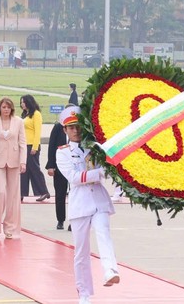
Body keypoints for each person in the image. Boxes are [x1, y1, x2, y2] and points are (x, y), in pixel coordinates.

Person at [55, 107, 119, 304]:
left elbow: (107, 169)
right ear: (65, 130)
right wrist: (97, 173)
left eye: (78, 126)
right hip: (80, 203)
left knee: (103, 233)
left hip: (99, 200)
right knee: (81, 251)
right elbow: (74, 178)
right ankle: (83, 293)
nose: (76, 130)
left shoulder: (95, 147)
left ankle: (110, 269)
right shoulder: (63, 153)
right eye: (71, 127)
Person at [0, 97, 27, 239]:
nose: (6, 110)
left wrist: (23, 162)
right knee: (1, 192)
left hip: (14, 162)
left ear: (12, 109)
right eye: (3, 107)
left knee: (13, 196)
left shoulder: (19, 122)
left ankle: (10, 227)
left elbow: (22, 143)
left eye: (8, 107)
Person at [46, 104, 73, 230]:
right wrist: (50, 165)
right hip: (60, 166)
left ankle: (73, 221)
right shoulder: (58, 127)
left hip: (75, 167)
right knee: (60, 193)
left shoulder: (79, 128)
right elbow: (52, 146)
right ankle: (60, 220)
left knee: (75, 195)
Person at [20, 94, 50, 201]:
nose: (22, 104)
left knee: (34, 169)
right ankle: (22, 192)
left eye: (23, 101)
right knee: (23, 170)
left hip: (32, 145)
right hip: (23, 145)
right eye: (21, 102)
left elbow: (38, 132)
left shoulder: (36, 114)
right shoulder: (25, 114)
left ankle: (43, 191)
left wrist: (35, 147)